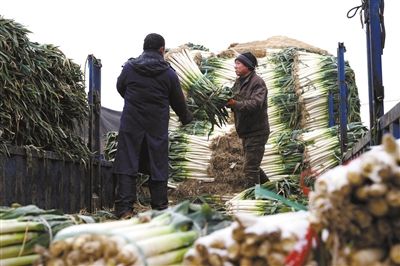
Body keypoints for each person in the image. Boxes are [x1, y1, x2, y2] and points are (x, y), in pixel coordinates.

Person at [113, 33, 193, 219]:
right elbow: (178, 102)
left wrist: (134, 100)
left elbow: (120, 87)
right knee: (158, 164)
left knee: (127, 162)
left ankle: (125, 209)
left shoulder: (130, 68)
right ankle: (159, 209)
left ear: (144, 47)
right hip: (156, 125)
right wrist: (187, 118)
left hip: (131, 123)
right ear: (162, 50)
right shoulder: (168, 73)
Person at [226, 52, 270, 185]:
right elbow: (234, 100)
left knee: (250, 168)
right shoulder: (239, 82)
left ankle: (252, 200)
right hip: (246, 132)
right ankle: (272, 190)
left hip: (257, 132)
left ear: (248, 66)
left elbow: (256, 104)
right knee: (252, 165)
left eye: (238, 63)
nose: (235, 66)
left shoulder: (258, 83)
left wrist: (235, 104)